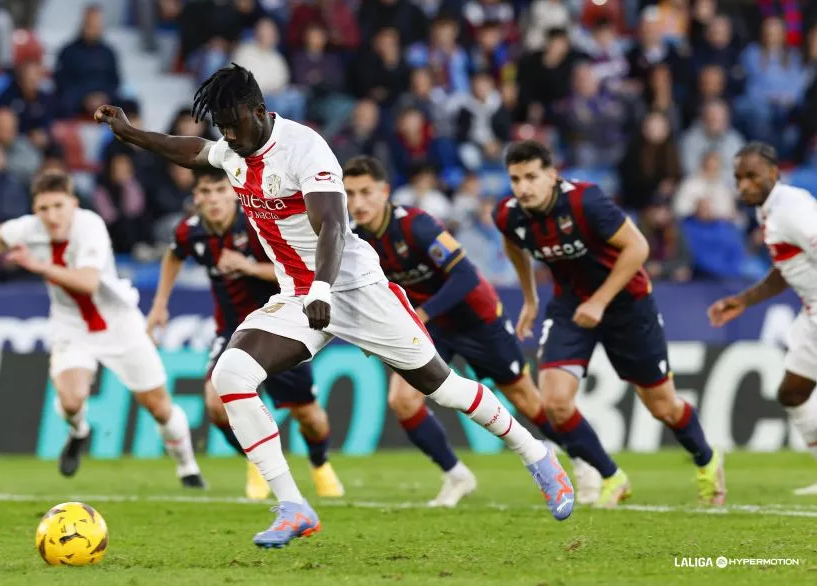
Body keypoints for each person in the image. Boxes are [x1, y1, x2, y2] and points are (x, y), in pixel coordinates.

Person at [94, 64, 574, 548]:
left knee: (442, 387)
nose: (231, 137)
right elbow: (195, 151)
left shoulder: (305, 148)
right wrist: (130, 133)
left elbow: (333, 226)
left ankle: (537, 455)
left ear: (260, 111)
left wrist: (323, 289)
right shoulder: (234, 147)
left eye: (237, 126)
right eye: (224, 129)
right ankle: (292, 506)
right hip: (298, 297)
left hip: (355, 289)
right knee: (230, 376)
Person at [343, 155, 602, 506]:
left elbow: (464, 274)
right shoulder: (355, 241)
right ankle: (456, 475)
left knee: (526, 399)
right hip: (430, 328)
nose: (358, 203)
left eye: (366, 192)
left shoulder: (416, 226)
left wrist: (422, 312)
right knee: (402, 401)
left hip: (477, 320)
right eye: (350, 194)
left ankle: (580, 461)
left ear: (385, 191)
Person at [494, 140, 725, 508]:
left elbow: (638, 248)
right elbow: (512, 246)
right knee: (555, 402)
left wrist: (600, 300)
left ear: (552, 176)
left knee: (663, 406)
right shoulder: (509, 215)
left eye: (532, 177)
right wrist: (530, 299)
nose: (523, 187)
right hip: (571, 305)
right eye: (515, 179)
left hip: (626, 305)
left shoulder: (587, 202)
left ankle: (708, 460)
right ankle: (611, 476)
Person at [0, 170, 204, 488]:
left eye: (58, 206)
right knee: (71, 401)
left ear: (73, 204)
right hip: (71, 325)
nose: (51, 216)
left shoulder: (90, 226)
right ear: (35, 210)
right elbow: (0, 235)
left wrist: (39, 267)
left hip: (119, 323)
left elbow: (88, 282)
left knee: (159, 407)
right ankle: (79, 431)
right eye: (43, 208)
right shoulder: (28, 228)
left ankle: (187, 467)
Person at [147, 167, 344, 500]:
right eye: (205, 193)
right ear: (196, 198)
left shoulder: (256, 225)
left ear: (233, 193)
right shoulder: (191, 232)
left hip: (281, 325)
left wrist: (248, 266)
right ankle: (261, 462)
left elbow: (298, 267)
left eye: (219, 191)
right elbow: (173, 255)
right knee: (216, 405)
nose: (212, 200)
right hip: (233, 330)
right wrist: (160, 303)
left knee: (308, 416)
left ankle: (320, 463)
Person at [709, 142, 817, 495]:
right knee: (793, 392)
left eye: (752, 176)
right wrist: (744, 300)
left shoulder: (792, 208)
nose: (743, 186)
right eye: (738, 178)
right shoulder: (769, 210)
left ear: (773, 172)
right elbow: (786, 267)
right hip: (811, 313)